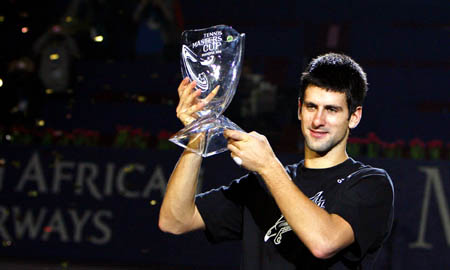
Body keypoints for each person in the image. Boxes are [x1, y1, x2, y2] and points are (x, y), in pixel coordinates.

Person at [159, 53, 394, 269]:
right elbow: (175, 220)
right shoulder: (261, 186)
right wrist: (199, 134)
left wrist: (268, 166)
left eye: (331, 110)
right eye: (312, 107)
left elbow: (324, 242)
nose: (318, 120)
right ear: (300, 109)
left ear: (354, 117)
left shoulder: (370, 183)